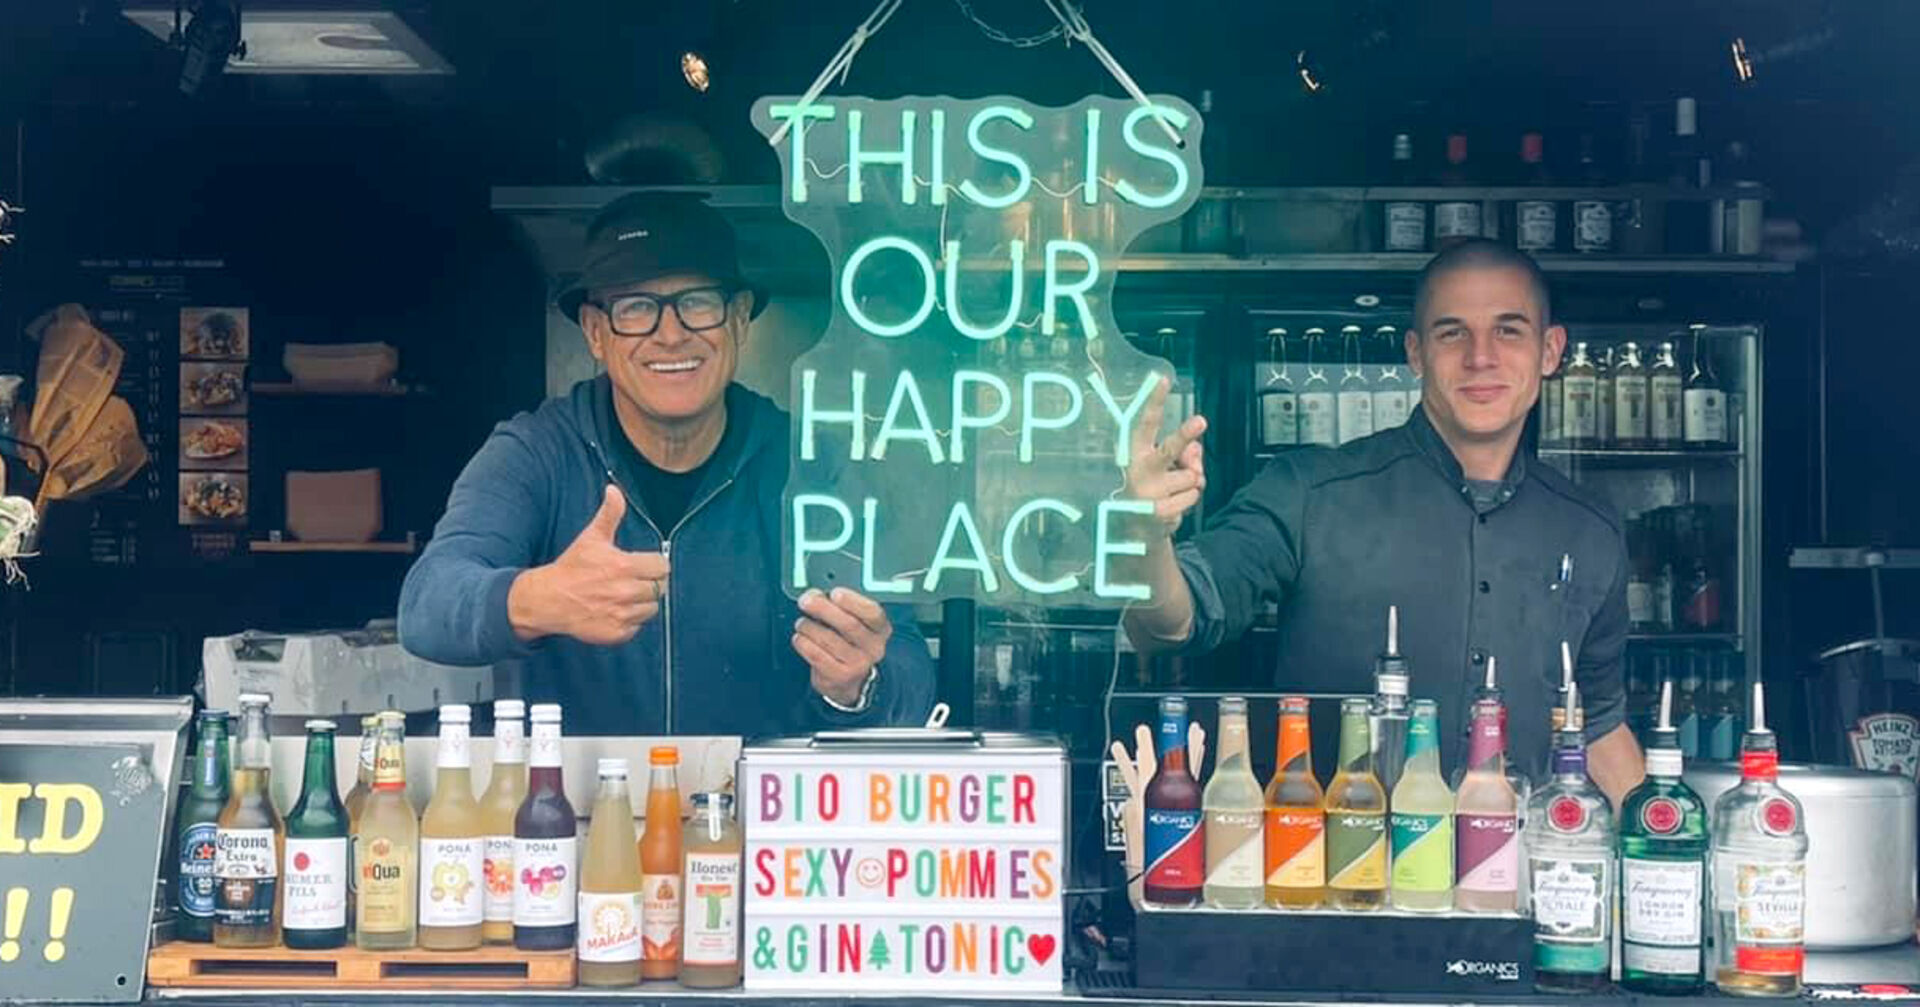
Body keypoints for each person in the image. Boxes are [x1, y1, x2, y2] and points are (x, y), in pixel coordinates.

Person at [1123, 239, 1644, 803]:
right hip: (1330, 876)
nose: (1481, 357)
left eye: (1508, 330)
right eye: (1452, 333)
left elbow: (1596, 724)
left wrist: (1657, 836)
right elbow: (1172, 621)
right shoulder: (1310, 492)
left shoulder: (1590, 530)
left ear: (1550, 351)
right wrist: (1144, 539)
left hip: (1517, 877)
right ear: (1416, 353)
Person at [399, 191, 937, 736]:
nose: (671, 332)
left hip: (759, 807)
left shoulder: (814, 465)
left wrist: (859, 684)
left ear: (739, 318)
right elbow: (426, 605)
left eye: (697, 302)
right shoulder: (537, 452)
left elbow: (910, 667)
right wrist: (538, 598)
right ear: (594, 332)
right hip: (580, 809)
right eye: (636, 307)